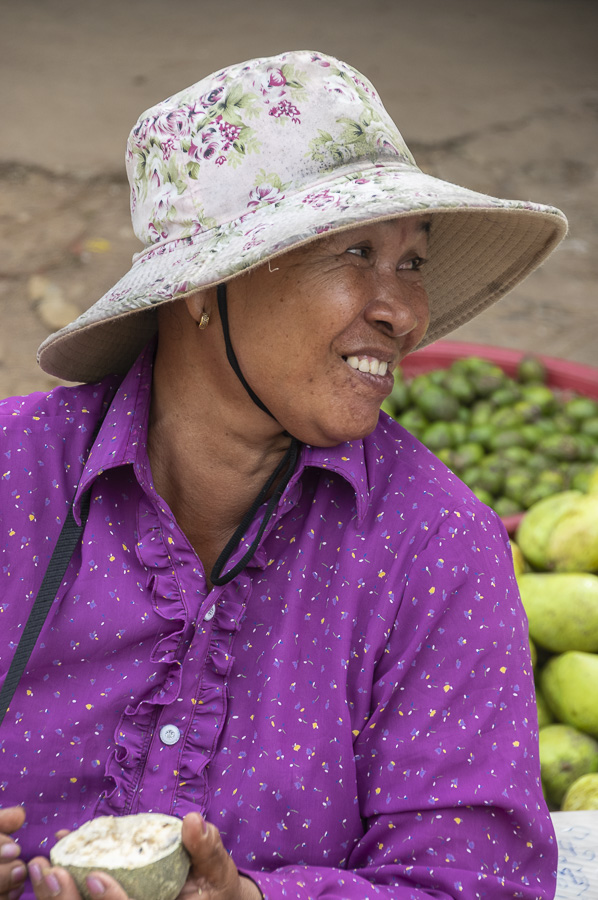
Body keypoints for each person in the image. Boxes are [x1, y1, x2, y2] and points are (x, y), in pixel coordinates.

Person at [0, 50, 567, 900]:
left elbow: (476, 880)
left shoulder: (437, 547)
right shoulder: (17, 476)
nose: (405, 312)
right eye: (356, 253)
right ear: (204, 287)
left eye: (412, 261)